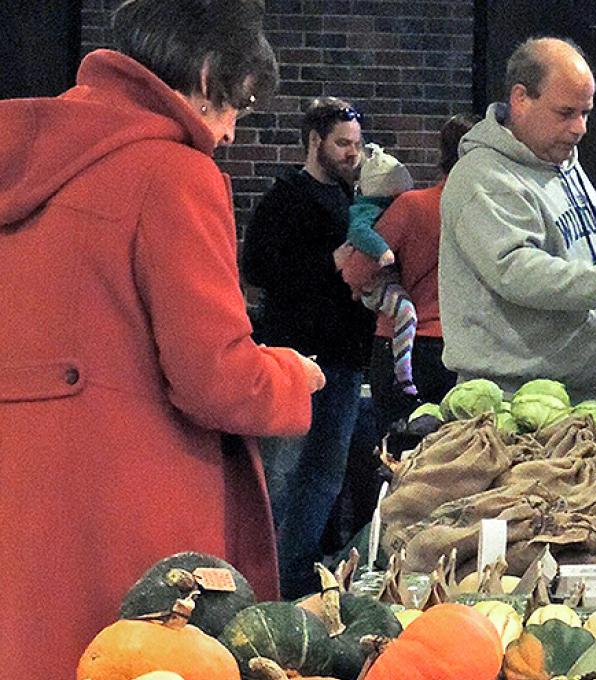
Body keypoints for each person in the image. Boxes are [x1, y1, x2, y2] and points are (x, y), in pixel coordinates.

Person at [0, 0, 325, 674]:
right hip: (127, 514)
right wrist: (294, 375)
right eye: (237, 104)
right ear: (206, 78)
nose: (232, 132)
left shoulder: (21, 157)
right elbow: (217, 381)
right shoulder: (173, 173)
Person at [439, 37, 596, 407]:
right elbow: (518, 272)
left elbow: (581, 257)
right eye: (566, 112)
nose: (580, 128)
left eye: (585, 113)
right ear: (521, 98)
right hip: (523, 407)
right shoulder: (482, 177)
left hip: (588, 399)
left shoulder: (563, 162)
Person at [240, 96, 374, 599]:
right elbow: (257, 270)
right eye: (342, 143)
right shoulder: (285, 198)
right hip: (297, 357)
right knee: (282, 473)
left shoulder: (352, 200)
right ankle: (260, 580)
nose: (352, 154)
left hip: (345, 356)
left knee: (325, 477)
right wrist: (331, 261)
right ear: (315, 141)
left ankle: (296, 577)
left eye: (357, 145)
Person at [340, 113, 480, 434]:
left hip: (407, 348)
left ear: (442, 155)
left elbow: (355, 272)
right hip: (471, 350)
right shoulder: (496, 212)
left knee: (400, 460)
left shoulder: (411, 206)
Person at [345, 143, 419, 396]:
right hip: (375, 283)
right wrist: (382, 251)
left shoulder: (391, 207)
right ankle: (403, 371)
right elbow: (358, 232)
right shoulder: (366, 209)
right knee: (406, 313)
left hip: (382, 280)